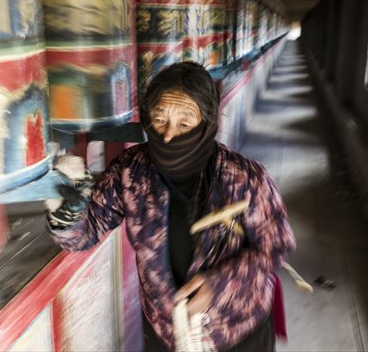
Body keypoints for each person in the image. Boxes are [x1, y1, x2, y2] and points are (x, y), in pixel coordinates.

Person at [46, 61, 296, 351]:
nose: (167, 136)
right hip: (166, 332)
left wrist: (219, 284)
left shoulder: (245, 178)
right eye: (160, 119)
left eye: (185, 123)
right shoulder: (131, 172)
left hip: (238, 329)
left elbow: (277, 245)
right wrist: (66, 213)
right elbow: (83, 235)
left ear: (207, 122)